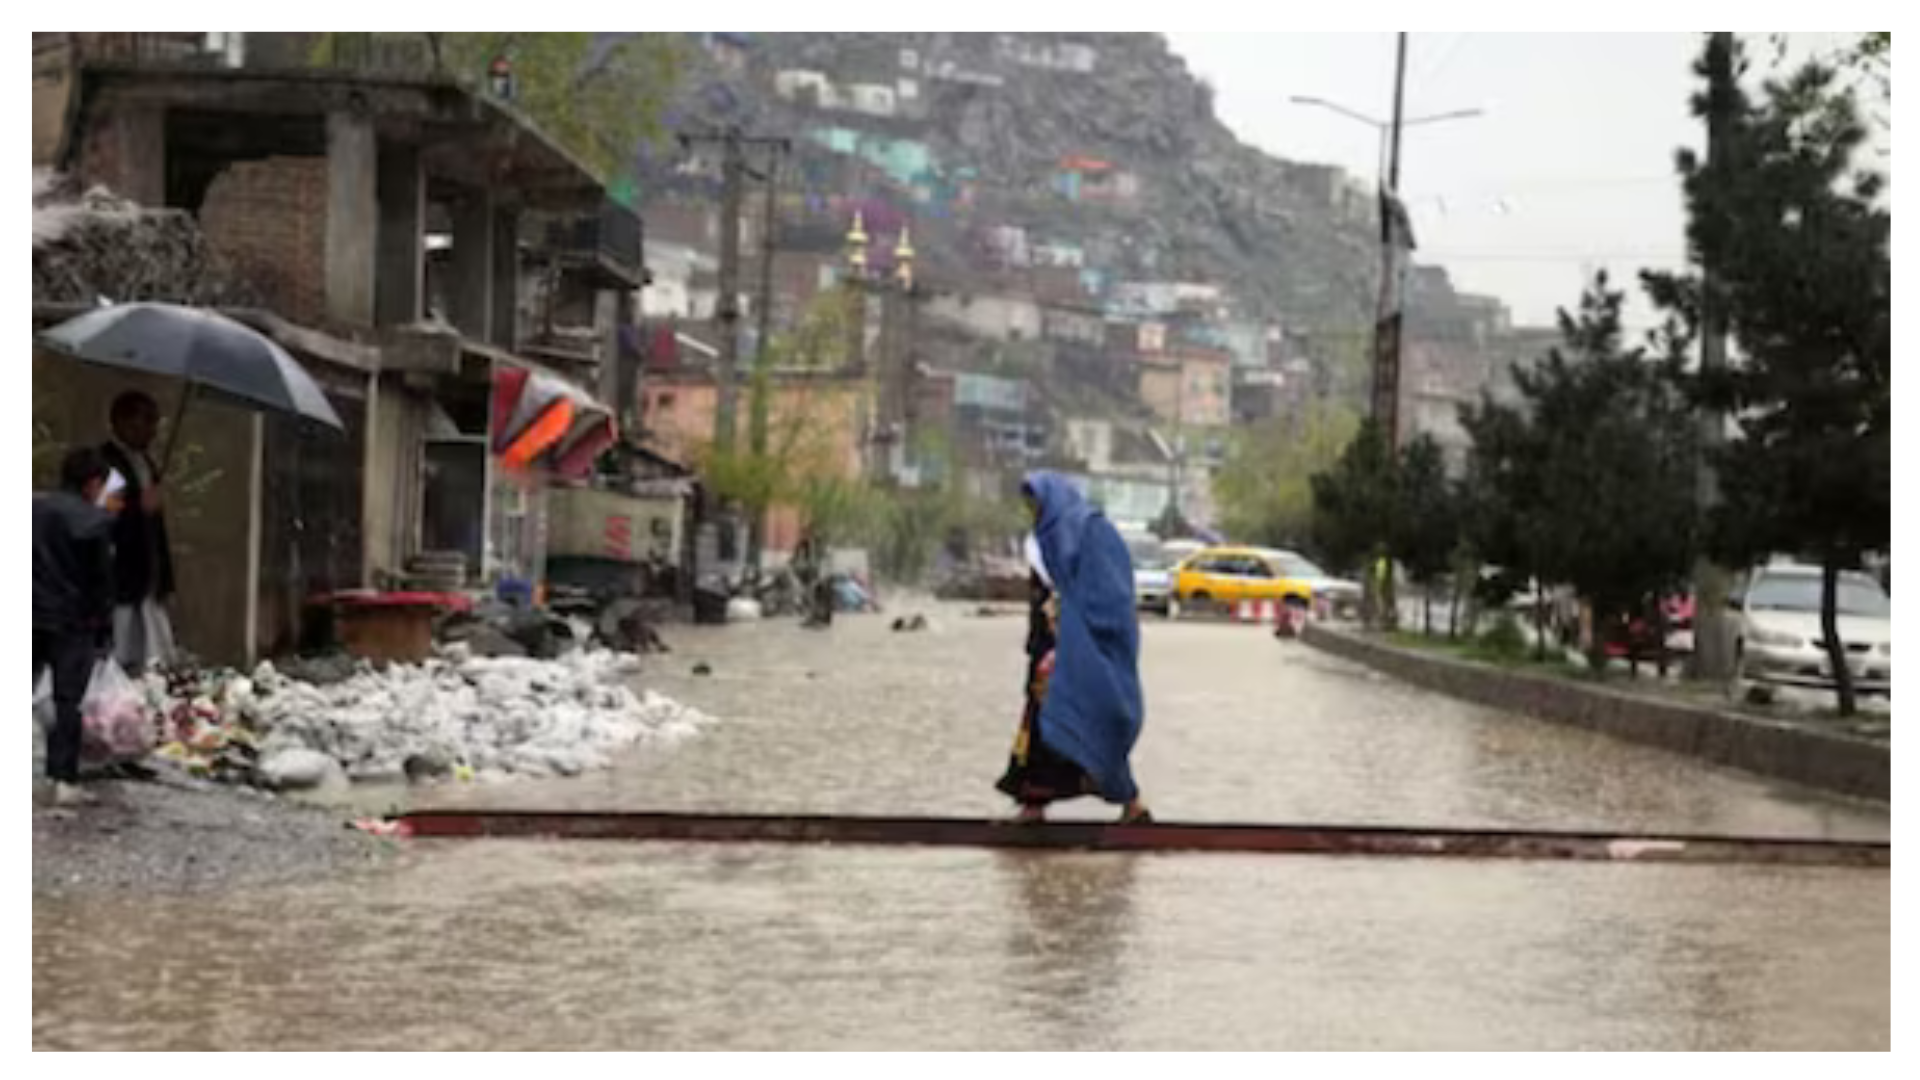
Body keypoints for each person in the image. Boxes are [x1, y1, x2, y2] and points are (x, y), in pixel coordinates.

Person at [995, 472, 1152, 825]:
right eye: (1028, 505)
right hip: (1047, 655)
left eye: (1036, 502)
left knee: (1094, 721)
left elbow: (1111, 595)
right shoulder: (1042, 542)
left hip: (1081, 653)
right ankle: (1033, 805)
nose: (1032, 510)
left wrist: (1072, 620)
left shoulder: (1090, 534)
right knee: (1041, 729)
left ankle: (1132, 803)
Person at [34, 448, 120, 806]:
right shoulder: (94, 522)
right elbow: (100, 581)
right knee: (68, 700)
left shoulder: (31, 507)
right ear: (92, 483)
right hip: (73, 622)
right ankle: (61, 778)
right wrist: (103, 627)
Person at [99, 391, 177, 671]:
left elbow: (157, 528)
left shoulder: (146, 464)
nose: (150, 431)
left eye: (153, 423)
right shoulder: (107, 464)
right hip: (121, 575)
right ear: (121, 422)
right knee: (122, 653)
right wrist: (137, 507)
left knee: (154, 657)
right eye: (143, 422)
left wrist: (166, 579)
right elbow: (104, 513)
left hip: (147, 575)